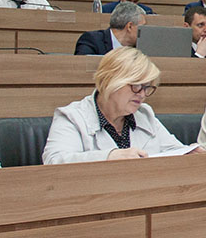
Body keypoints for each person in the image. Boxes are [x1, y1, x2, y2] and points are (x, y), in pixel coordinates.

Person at [43, 47, 193, 164]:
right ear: (111, 81)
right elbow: (54, 162)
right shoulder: (72, 117)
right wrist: (108, 156)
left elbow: (174, 150)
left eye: (147, 87)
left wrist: (191, 153)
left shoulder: (144, 114)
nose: (142, 94)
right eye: (136, 86)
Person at [75, 2, 147, 55]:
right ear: (129, 27)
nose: (145, 31)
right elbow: (83, 66)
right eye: (142, 26)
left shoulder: (142, 48)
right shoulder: (92, 40)